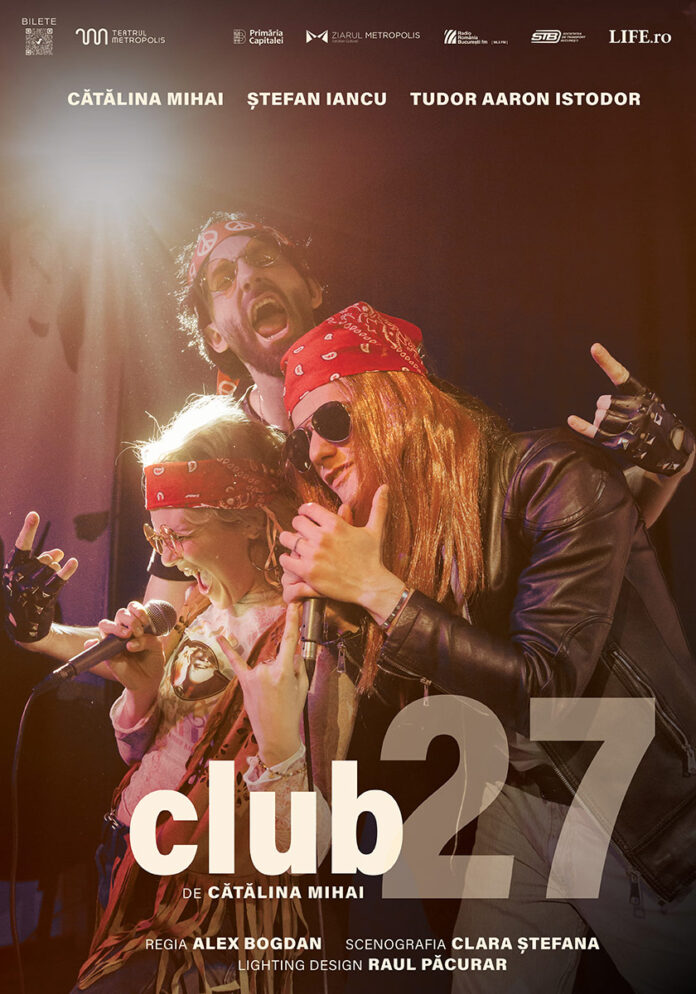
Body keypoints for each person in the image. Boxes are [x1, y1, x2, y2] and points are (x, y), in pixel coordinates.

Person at [6, 212, 693, 665]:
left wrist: (662, 470)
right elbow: (173, 612)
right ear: (213, 333)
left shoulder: (391, 387)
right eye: (223, 279)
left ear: (310, 284)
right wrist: (47, 633)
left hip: (440, 709)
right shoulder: (216, 449)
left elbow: (543, 546)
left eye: (266, 259)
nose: (250, 277)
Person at [276, 301, 696, 994]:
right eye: (300, 443)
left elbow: (547, 688)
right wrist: (345, 623)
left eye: (331, 420)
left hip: (637, 804)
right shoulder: (412, 539)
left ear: (401, 404)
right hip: (525, 797)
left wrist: (380, 594)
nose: (316, 453)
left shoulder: (555, 476)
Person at [14, 394, 352, 994]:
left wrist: (280, 746)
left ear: (252, 521)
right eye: (157, 536)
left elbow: (308, 843)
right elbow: (145, 753)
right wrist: (139, 693)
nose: (167, 557)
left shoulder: (309, 635)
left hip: (207, 913)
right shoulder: (200, 608)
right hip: (130, 863)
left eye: (183, 535)